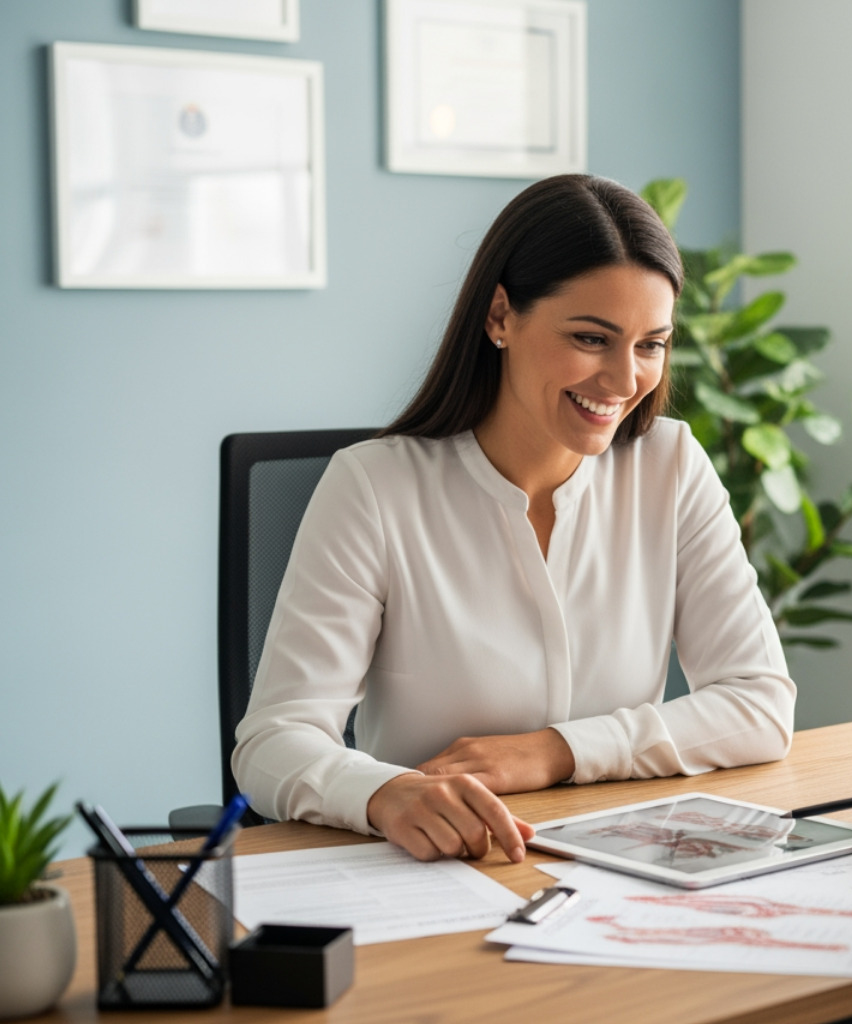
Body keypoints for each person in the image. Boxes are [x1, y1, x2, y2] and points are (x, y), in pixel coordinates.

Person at [234, 175, 795, 863]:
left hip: (617, 864)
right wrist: (384, 793)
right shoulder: (374, 486)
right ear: (500, 316)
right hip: (433, 871)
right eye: (592, 338)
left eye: (651, 344)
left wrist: (556, 752)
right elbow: (272, 741)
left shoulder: (670, 464)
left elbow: (759, 705)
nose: (624, 381)